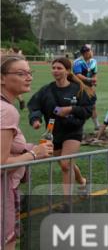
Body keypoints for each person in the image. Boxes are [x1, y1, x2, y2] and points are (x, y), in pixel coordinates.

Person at [2, 55, 53, 250]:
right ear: (2, 78)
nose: (28, 77)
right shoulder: (6, 111)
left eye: (30, 72)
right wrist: (35, 155)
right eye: (20, 73)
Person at [27, 57, 93, 197]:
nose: (55, 71)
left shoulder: (78, 89)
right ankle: (82, 181)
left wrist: (70, 109)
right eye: (53, 68)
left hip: (73, 131)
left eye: (59, 68)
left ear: (67, 71)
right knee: (66, 163)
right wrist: (36, 120)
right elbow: (34, 106)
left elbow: (87, 110)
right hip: (54, 132)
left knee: (65, 165)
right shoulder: (46, 90)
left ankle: (67, 203)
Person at [72, 44, 99, 130]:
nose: (92, 52)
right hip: (79, 87)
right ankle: (79, 127)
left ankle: (97, 125)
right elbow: (78, 75)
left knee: (93, 105)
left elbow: (95, 73)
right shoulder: (77, 62)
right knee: (80, 107)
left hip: (90, 87)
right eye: (90, 50)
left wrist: (94, 80)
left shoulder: (94, 61)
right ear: (85, 52)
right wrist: (89, 79)